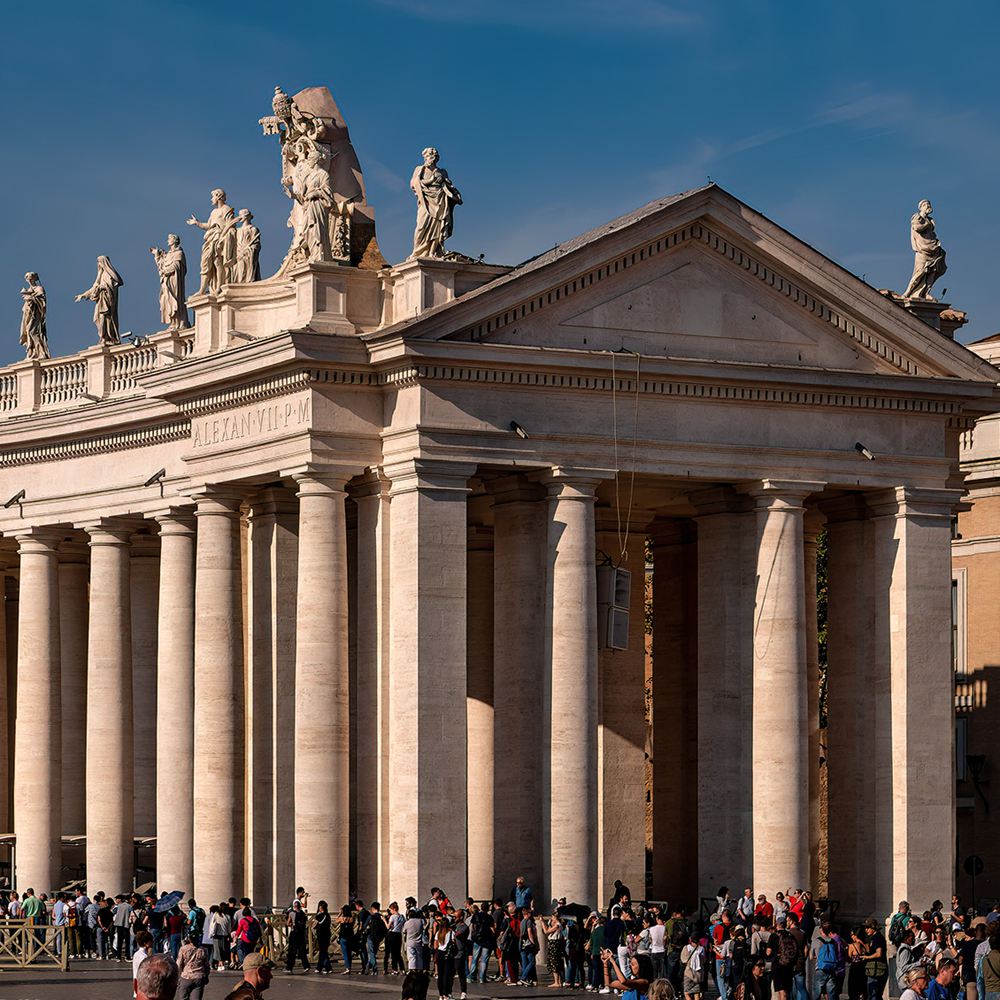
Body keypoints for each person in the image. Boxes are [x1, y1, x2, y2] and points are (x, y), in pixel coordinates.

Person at [409, 147, 462, 259]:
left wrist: (453, 193)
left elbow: (448, 186)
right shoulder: (419, 169)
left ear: (436, 158)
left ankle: (433, 251)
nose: (431, 158)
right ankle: (417, 251)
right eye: (428, 156)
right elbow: (414, 184)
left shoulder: (442, 172)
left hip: (440, 200)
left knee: (438, 226)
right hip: (426, 201)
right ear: (425, 157)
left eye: (433, 156)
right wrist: (431, 180)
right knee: (421, 226)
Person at [811, 921, 843, 1000]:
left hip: (820, 969)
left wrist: (818, 957)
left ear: (821, 930)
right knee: (831, 994)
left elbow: (811, 957)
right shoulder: (833, 941)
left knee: (816, 994)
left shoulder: (816, 941)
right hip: (831, 969)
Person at [177, 931, 211, 1000]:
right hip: (199, 977)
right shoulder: (204, 950)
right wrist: (206, 976)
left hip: (186, 977)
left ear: (189, 939)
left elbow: (179, 964)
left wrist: (178, 976)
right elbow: (207, 965)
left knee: (183, 998)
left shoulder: (183, 949)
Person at [862, 918, 889, 1000]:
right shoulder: (872, 938)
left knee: (873, 995)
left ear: (873, 928)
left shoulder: (877, 938)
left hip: (877, 970)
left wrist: (866, 957)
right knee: (875, 995)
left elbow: (878, 953)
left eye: (868, 928)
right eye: (865, 928)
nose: (866, 930)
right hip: (875, 969)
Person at [434, 915, 457, 1000]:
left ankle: (440, 995)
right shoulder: (451, 933)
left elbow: (435, 946)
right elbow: (454, 944)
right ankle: (446, 994)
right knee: (447, 975)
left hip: (440, 953)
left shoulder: (438, 933)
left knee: (440, 975)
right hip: (448, 954)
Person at [285, 899, 310, 973]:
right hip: (301, 934)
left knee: (292, 951)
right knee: (302, 950)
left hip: (294, 933)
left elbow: (288, 923)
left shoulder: (291, 913)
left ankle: (289, 967)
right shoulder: (303, 913)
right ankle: (306, 966)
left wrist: (291, 924)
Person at [519, 905, 539, 986]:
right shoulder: (529, 921)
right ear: (527, 913)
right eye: (530, 912)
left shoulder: (522, 921)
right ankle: (523, 978)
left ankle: (526, 980)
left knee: (525, 963)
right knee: (532, 962)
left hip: (522, 944)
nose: (531, 913)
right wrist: (533, 943)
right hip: (528, 944)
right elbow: (529, 932)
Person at [314, 900, 332, 974]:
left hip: (321, 935)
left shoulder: (319, 915)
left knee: (323, 952)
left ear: (320, 907)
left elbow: (314, 925)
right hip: (327, 935)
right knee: (324, 951)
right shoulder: (328, 915)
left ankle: (321, 967)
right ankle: (327, 967)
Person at [337, 903, 356, 974]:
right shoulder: (351, 919)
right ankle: (349, 967)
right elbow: (353, 925)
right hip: (350, 937)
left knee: (345, 953)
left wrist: (340, 913)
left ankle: (347, 968)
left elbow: (336, 921)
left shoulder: (342, 919)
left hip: (343, 937)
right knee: (349, 953)